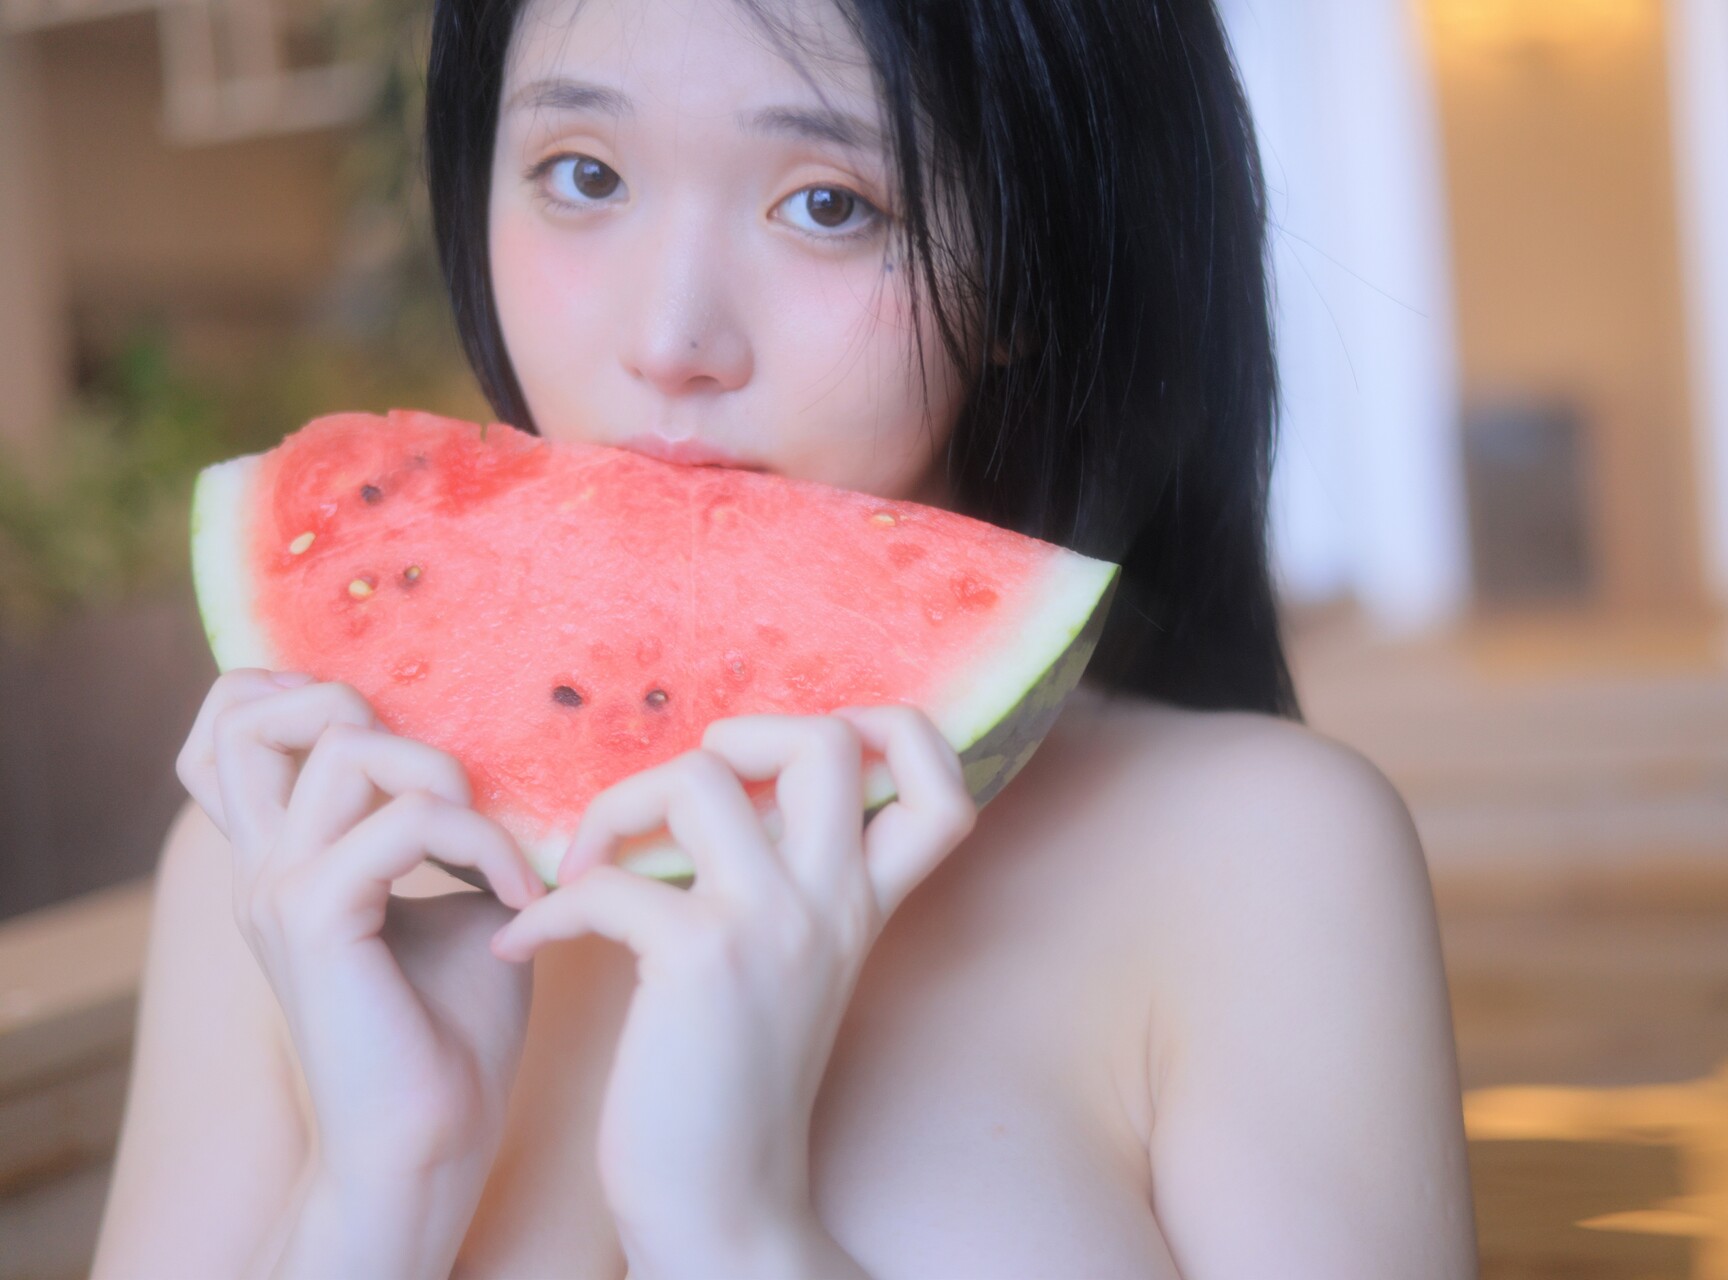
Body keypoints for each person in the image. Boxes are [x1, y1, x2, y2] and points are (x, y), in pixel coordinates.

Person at [92, 0, 1478, 1274]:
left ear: (1029, 270)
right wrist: (377, 1191)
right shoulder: (289, 864)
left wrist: (732, 1223)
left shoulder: (1261, 854)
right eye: (584, 174)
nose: (671, 337)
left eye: (829, 204)